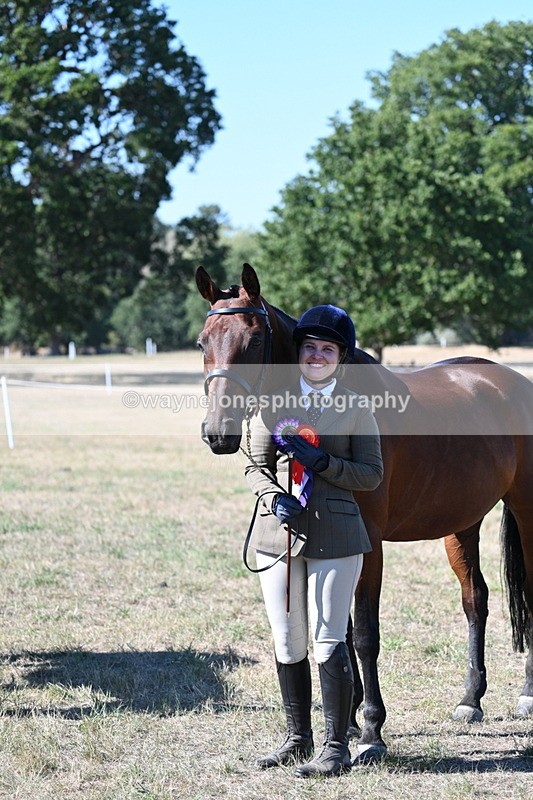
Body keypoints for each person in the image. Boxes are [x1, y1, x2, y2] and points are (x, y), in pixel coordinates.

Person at [244, 305, 383, 778]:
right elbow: (254, 465)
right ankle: (296, 738)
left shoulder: (357, 408)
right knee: (288, 640)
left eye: (327, 349)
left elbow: (371, 474)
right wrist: (271, 496)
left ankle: (335, 746)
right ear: (298, 352)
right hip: (277, 534)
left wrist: (323, 464)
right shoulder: (272, 402)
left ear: (340, 358)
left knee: (327, 639)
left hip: (337, 532)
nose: (317, 355)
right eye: (310, 347)